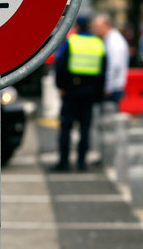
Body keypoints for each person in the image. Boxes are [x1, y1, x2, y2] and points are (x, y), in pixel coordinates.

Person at [52, 16, 106, 172]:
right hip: (89, 92)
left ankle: (64, 162)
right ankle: (82, 162)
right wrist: (98, 94)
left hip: (71, 91)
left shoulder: (71, 42)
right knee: (85, 128)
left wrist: (60, 86)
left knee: (66, 127)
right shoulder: (98, 44)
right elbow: (103, 71)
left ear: (76, 26)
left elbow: (60, 66)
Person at [92, 13, 129, 109]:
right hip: (113, 87)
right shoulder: (111, 39)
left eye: (98, 27)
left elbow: (114, 66)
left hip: (113, 88)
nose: (96, 30)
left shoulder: (114, 41)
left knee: (109, 118)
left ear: (107, 26)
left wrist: (108, 87)